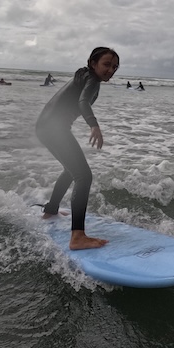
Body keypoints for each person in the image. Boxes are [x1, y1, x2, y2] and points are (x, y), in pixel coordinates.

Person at [36, 46, 120, 250]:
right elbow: (83, 102)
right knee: (84, 176)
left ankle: (51, 210)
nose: (110, 70)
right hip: (53, 128)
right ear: (93, 63)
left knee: (71, 171)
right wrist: (94, 125)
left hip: (46, 127)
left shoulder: (85, 76)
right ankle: (78, 237)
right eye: (106, 64)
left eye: (115, 67)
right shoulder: (92, 79)